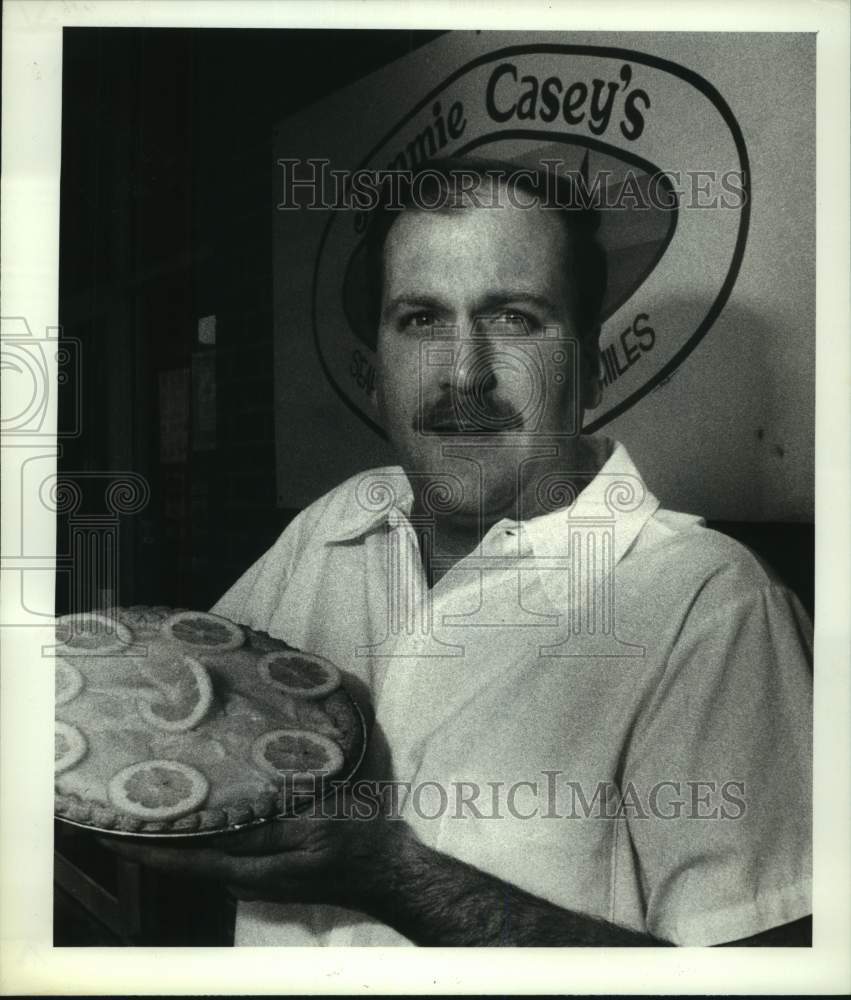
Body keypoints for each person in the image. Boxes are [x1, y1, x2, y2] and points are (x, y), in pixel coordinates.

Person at [108, 158, 813, 947]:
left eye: (513, 317)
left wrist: (392, 876)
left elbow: (761, 976)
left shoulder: (710, 604)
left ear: (588, 368)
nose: (465, 373)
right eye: (420, 320)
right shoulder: (335, 525)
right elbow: (186, 723)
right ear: (375, 374)